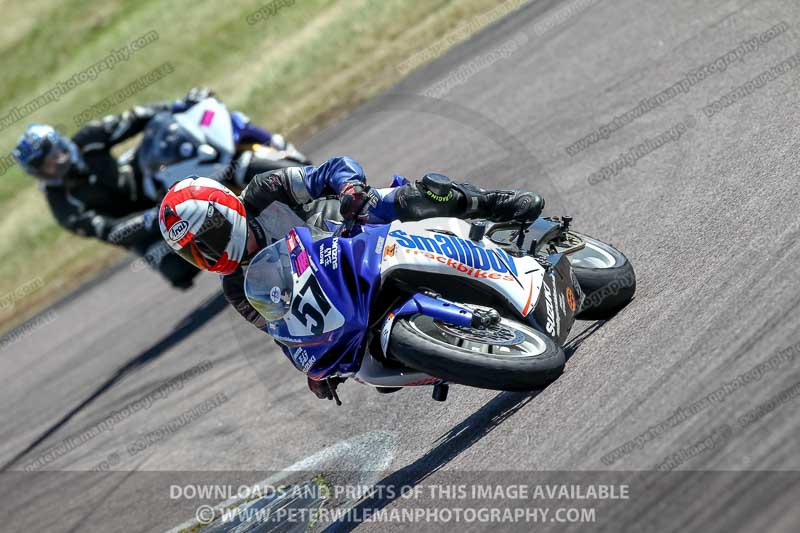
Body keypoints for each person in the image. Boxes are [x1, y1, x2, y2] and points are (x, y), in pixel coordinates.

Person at [158, 156, 544, 395]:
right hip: (342, 299)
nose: (209, 255)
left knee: (413, 199)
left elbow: (329, 170)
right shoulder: (237, 287)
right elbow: (279, 330)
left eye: (207, 240)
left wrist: (350, 188)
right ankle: (455, 346)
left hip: (355, 230)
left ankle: (492, 203)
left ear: (225, 211)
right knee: (369, 370)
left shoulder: (264, 192)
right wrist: (310, 370)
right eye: (195, 253)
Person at [12, 88, 292, 289]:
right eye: (45, 164)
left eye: (55, 152)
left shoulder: (88, 139)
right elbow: (110, 231)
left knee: (183, 145)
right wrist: (151, 219)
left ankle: (275, 170)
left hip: (149, 180)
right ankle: (248, 269)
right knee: (178, 271)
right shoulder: (61, 203)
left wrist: (179, 104)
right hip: (142, 226)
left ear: (61, 143)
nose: (56, 162)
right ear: (39, 172)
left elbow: (136, 117)